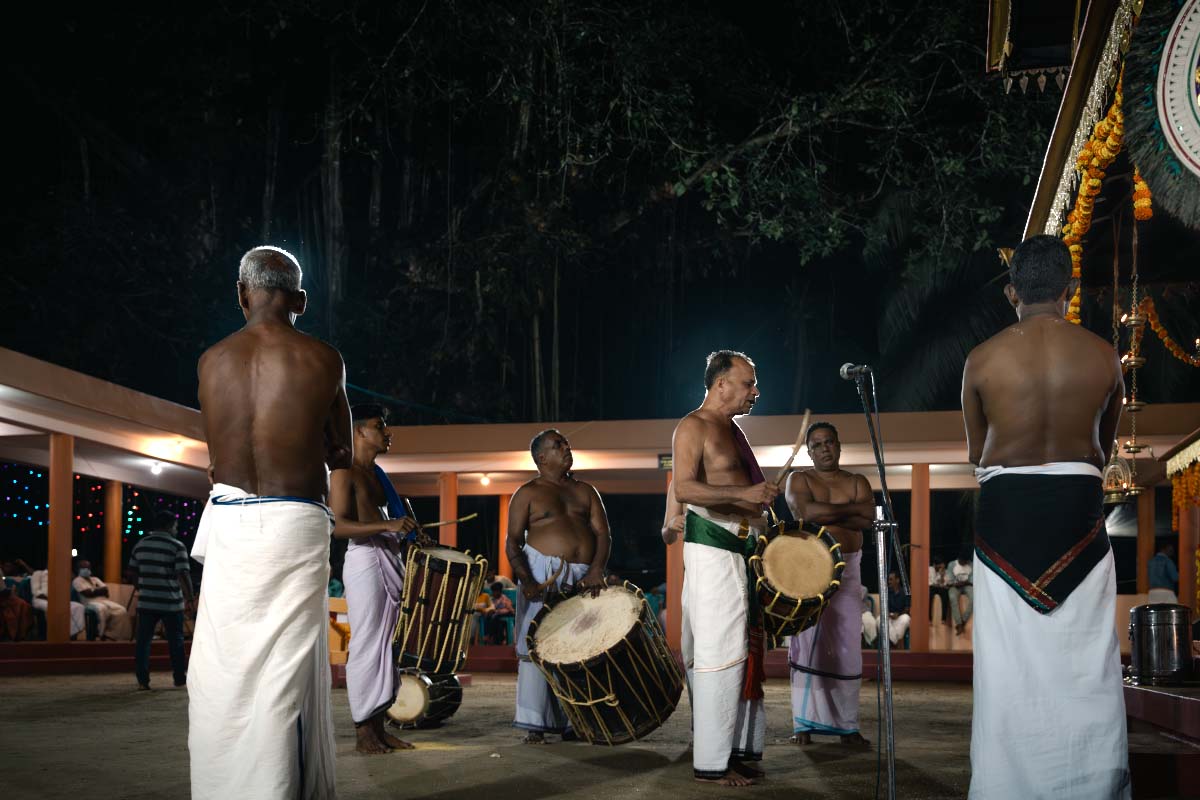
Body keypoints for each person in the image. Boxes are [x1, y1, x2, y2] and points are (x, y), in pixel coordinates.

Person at [961, 234, 1130, 799]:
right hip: (1078, 513)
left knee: (1007, 668)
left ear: (1012, 291)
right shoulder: (1105, 355)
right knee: (1086, 661)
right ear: (1070, 289)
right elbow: (1102, 451)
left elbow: (976, 452)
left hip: (1006, 512)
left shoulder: (981, 359)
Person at [190, 245, 350, 799]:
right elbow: (343, 453)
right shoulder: (325, 359)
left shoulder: (210, 360)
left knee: (222, 671)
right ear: (299, 300)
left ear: (242, 295)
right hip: (295, 520)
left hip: (230, 520)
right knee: (287, 672)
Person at [668, 350, 776, 787]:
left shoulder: (732, 431)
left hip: (742, 549)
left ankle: (736, 749)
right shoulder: (693, 425)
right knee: (719, 654)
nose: (755, 392)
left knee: (743, 650)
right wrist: (748, 497)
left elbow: (737, 489)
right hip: (713, 551)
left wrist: (757, 502)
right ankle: (712, 764)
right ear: (721, 384)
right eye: (748, 383)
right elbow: (685, 486)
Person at [507, 428, 611, 743]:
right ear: (541, 458)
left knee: (580, 648)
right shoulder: (527, 493)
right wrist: (527, 580)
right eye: (558, 445)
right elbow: (512, 542)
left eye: (565, 443)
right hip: (541, 573)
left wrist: (596, 570)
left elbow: (604, 534)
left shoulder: (586, 491)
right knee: (536, 647)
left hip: (582, 578)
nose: (566, 447)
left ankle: (575, 721)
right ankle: (535, 725)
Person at [329, 403, 421, 755]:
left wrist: (408, 531)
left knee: (387, 647)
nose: (387, 432)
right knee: (368, 644)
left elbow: (394, 519)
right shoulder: (343, 472)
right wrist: (388, 525)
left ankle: (379, 728)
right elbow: (337, 525)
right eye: (380, 426)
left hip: (389, 556)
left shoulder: (379, 473)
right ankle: (362, 730)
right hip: (364, 559)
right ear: (359, 431)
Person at [784, 421, 875, 747]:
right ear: (809, 451)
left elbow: (868, 518)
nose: (824, 449)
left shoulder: (857, 480)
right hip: (810, 568)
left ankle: (847, 726)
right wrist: (849, 511)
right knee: (807, 644)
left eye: (829, 443)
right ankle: (804, 724)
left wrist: (829, 513)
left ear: (839, 445)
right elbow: (805, 510)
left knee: (848, 646)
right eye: (817, 444)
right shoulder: (800, 479)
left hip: (849, 570)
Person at [128, 510, 193, 689]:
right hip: (171, 602)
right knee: (176, 642)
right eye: (176, 526)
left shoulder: (141, 544)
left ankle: (143, 681)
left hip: (146, 602)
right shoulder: (177, 546)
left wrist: (142, 588)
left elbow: (132, 572)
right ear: (169, 526)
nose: (176, 530)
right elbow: (183, 573)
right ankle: (179, 678)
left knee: (143, 642)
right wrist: (190, 596)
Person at [72, 560, 133, 640]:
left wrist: (94, 591)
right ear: (78, 569)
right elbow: (87, 593)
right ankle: (99, 634)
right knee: (102, 609)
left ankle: (111, 634)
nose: (86, 569)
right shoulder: (77, 581)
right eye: (83, 567)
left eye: (88, 567)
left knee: (121, 610)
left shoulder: (95, 579)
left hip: (104, 601)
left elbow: (106, 590)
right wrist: (98, 590)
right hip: (89, 602)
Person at [30, 567, 87, 639]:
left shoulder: (59, 575)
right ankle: (55, 633)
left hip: (58, 600)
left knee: (79, 606)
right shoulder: (38, 573)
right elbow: (36, 592)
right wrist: (52, 600)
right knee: (52, 607)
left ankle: (71, 633)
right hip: (41, 600)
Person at [0, 561, 34, 641]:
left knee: (22, 605)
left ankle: (17, 637)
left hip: (3, 596)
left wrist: (10, 592)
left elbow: (2, 590)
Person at [947, 551, 974, 635]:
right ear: (959, 559)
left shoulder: (971, 565)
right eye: (963, 561)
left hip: (967, 585)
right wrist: (957, 583)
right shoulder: (952, 565)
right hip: (955, 586)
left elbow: (972, 580)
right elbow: (950, 581)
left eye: (966, 561)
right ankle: (958, 624)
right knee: (952, 597)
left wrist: (965, 582)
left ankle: (963, 621)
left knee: (974, 598)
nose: (965, 563)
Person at [883, 572, 911, 647]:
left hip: (900, 617)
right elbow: (884, 607)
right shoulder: (887, 592)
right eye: (888, 580)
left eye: (891, 579)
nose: (889, 582)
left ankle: (892, 642)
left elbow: (907, 608)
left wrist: (898, 615)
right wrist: (888, 614)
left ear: (897, 580)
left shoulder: (905, 592)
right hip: (890, 618)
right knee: (880, 620)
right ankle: (895, 642)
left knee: (906, 618)